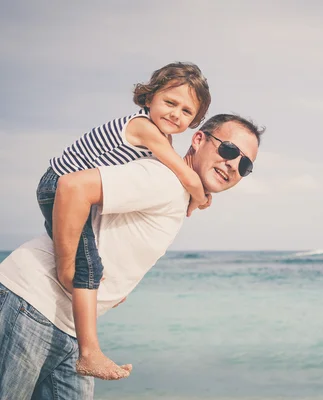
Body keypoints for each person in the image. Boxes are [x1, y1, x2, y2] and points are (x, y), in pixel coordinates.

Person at [0, 114, 263, 399]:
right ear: (199, 140)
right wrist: (68, 268)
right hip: (31, 303)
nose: (234, 165)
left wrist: (113, 292)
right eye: (228, 150)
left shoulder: (179, 193)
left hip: (70, 325)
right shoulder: (162, 179)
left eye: (245, 164)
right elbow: (73, 186)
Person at [36, 62, 213, 380]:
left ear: (193, 122)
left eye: (186, 111)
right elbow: (185, 173)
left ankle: (78, 291)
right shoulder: (144, 127)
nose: (175, 114)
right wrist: (200, 198)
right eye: (169, 102)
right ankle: (88, 352)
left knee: (92, 265)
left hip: (75, 194)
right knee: (83, 267)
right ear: (149, 98)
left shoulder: (161, 138)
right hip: (58, 185)